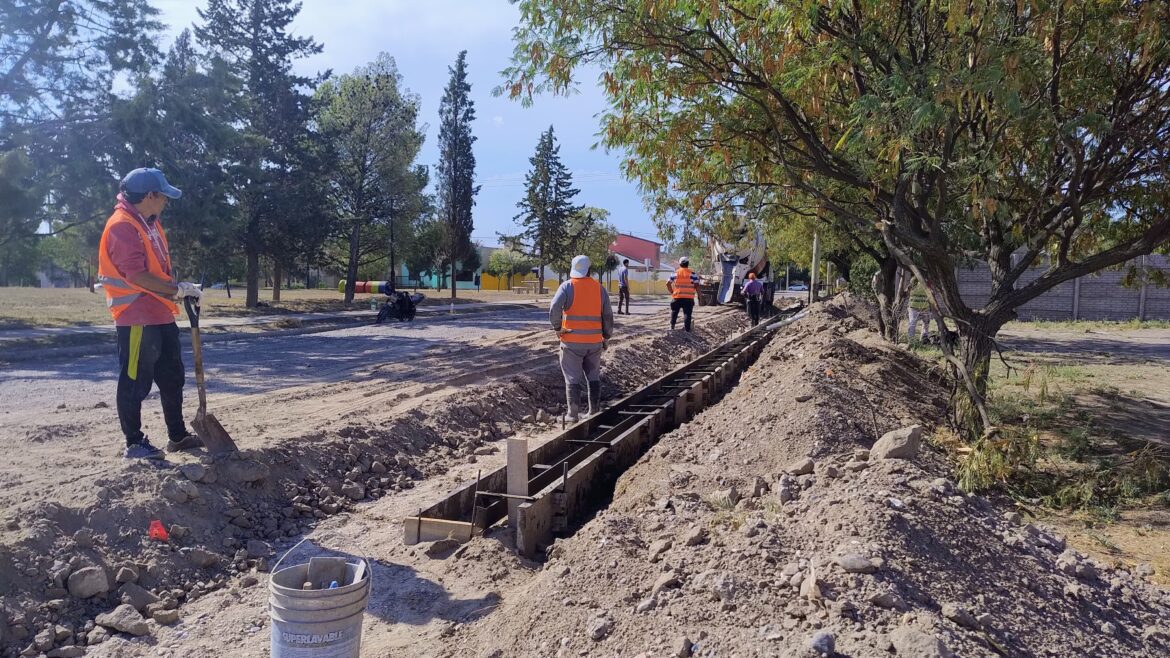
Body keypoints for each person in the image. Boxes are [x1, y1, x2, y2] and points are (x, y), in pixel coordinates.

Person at [97, 168, 204, 460]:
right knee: (135, 380)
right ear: (149, 196)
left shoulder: (150, 223)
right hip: (135, 316)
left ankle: (178, 436)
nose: (167, 201)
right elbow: (137, 275)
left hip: (160, 312)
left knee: (172, 377)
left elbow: (157, 268)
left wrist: (182, 288)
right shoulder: (122, 226)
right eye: (164, 195)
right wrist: (176, 289)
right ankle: (134, 443)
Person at [549, 255, 614, 422]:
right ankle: (594, 411)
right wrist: (606, 337)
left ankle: (572, 415)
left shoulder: (567, 286)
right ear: (589, 271)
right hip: (594, 343)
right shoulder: (599, 289)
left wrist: (558, 328)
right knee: (593, 376)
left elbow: (554, 308)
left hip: (571, 343)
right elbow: (608, 316)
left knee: (572, 377)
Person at [667, 256, 700, 332]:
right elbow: (697, 286)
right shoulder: (693, 274)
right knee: (687, 314)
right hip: (688, 298)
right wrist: (699, 297)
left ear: (680, 264)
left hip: (677, 297)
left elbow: (667, 283)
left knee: (674, 312)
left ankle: (672, 327)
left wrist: (672, 292)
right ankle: (687, 331)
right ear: (688, 263)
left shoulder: (675, 273)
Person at [907, 277, 938, 343]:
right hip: (913, 308)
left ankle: (924, 339)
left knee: (926, 323)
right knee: (912, 324)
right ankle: (911, 341)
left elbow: (931, 294)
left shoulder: (927, 284)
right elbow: (908, 289)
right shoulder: (914, 282)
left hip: (925, 308)